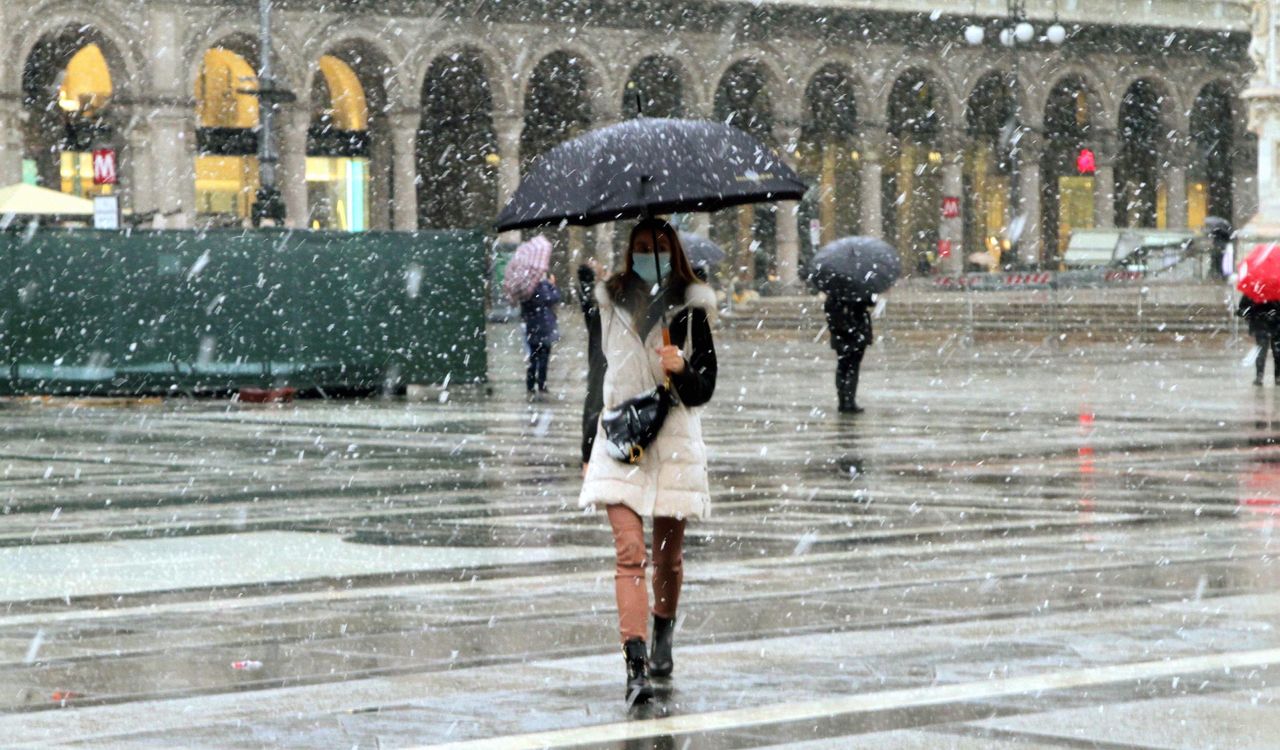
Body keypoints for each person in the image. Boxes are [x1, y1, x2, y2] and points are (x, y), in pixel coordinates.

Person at [580, 218, 718, 704]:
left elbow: (705, 389)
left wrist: (680, 368)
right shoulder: (607, 301)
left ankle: (663, 629)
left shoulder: (691, 306)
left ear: (672, 250)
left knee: (667, 556)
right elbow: (597, 374)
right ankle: (635, 663)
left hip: (674, 435)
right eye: (639, 246)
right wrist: (585, 446)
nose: (646, 253)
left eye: (656, 246)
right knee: (628, 553)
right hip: (619, 435)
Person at [824, 292, 874, 413]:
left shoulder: (834, 291)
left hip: (842, 334)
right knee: (852, 368)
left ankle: (843, 401)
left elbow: (829, 311)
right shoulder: (859, 289)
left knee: (843, 367)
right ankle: (849, 401)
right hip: (855, 333)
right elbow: (869, 303)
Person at [520, 273, 560, 399]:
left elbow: (524, 309)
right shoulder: (542, 287)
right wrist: (552, 285)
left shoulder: (526, 289)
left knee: (534, 358)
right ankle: (541, 384)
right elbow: (554, 297)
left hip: (532, 327)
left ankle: (531, 384)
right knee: (543, 357)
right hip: (544, 327)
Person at [1238, 295, 1280, 385]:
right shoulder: (1276, 292)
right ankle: (1272, 377)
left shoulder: (1253, 292)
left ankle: (1261, 376)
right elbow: (1243, 309)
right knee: (1272, 352)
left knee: (1269, 353)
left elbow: (1242, 309)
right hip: (1268, 326)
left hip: (1268, 326)